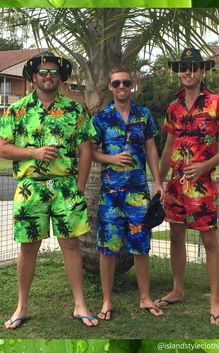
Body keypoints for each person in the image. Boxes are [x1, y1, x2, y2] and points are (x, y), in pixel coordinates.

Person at [0, 52, 98, 328]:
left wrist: (79, 189)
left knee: (71, 245)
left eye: (54, 73)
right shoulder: (17, 110)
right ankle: (22, 306)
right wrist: (35, 152)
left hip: (66, 187)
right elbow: (2, 147)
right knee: (28, 247)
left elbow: (86, 150)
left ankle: (80, 304)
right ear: (33, 77)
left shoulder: (75, 110)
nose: (48, 76)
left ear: (61, 77)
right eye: (42, 72)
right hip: (31, 189)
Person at [156, 47, 219, 325]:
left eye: (193, 68)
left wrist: (205, 165)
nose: (187, 72)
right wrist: (158, 181)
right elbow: (167, 148)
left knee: (209, 241)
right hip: (176, 186)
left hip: (203, 186)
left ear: (202, 71)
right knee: (176, 237)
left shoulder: (217, 103)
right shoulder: (173, 107)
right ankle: (178, 289)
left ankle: (215, 301)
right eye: (182, 68)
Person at [91, 64, 164, 320]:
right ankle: (107, 302)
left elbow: (152, 149)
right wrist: (110, 158)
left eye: (125, 83)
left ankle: (145, 298)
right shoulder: (100, 118)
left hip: (138, 193)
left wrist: (157, 181)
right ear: (110, 87)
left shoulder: (143, 115)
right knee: (107, 248)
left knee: (140, 246)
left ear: (132, 85)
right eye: (116, 83)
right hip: (110, 194)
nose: (121, 87)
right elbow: (90, 152)